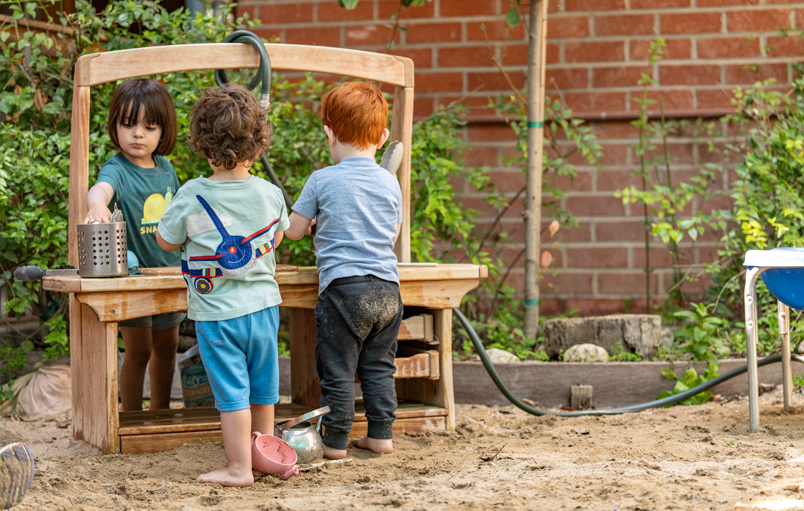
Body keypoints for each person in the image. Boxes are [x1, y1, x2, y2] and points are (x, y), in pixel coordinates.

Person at [156, 83, 288, 487]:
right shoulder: (270, 193)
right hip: (265, 308)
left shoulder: (192, 194)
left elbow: (165, 240)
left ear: (201, 145)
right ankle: (264, 457)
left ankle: (238, 469)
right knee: (264, 390)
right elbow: (278, 237)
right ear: (259, 144)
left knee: (232, 395)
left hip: (218, 315)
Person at [285, 82, 403, 460]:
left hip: (344, 290)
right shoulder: (390, 181)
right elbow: (392, 232)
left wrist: (319, 222)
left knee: (337, 369)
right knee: (379, 367)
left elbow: (293, 230)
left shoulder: (322, 179)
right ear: (382, 137)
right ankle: (381, 436)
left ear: (329, 133)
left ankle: (335, 442)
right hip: (387, 290)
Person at [83, 79, 184, 411]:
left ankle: (160, 410)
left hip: (167, 275)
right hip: (133, 278)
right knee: (138, 349)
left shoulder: (167, 170)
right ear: (115, 125)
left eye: (149, 126)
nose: (138, 134)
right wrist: (97, 205)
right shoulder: (117, 169)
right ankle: (130, 413)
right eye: (128, 124)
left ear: (163, 131)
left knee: (168, 345)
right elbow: (101, 189)